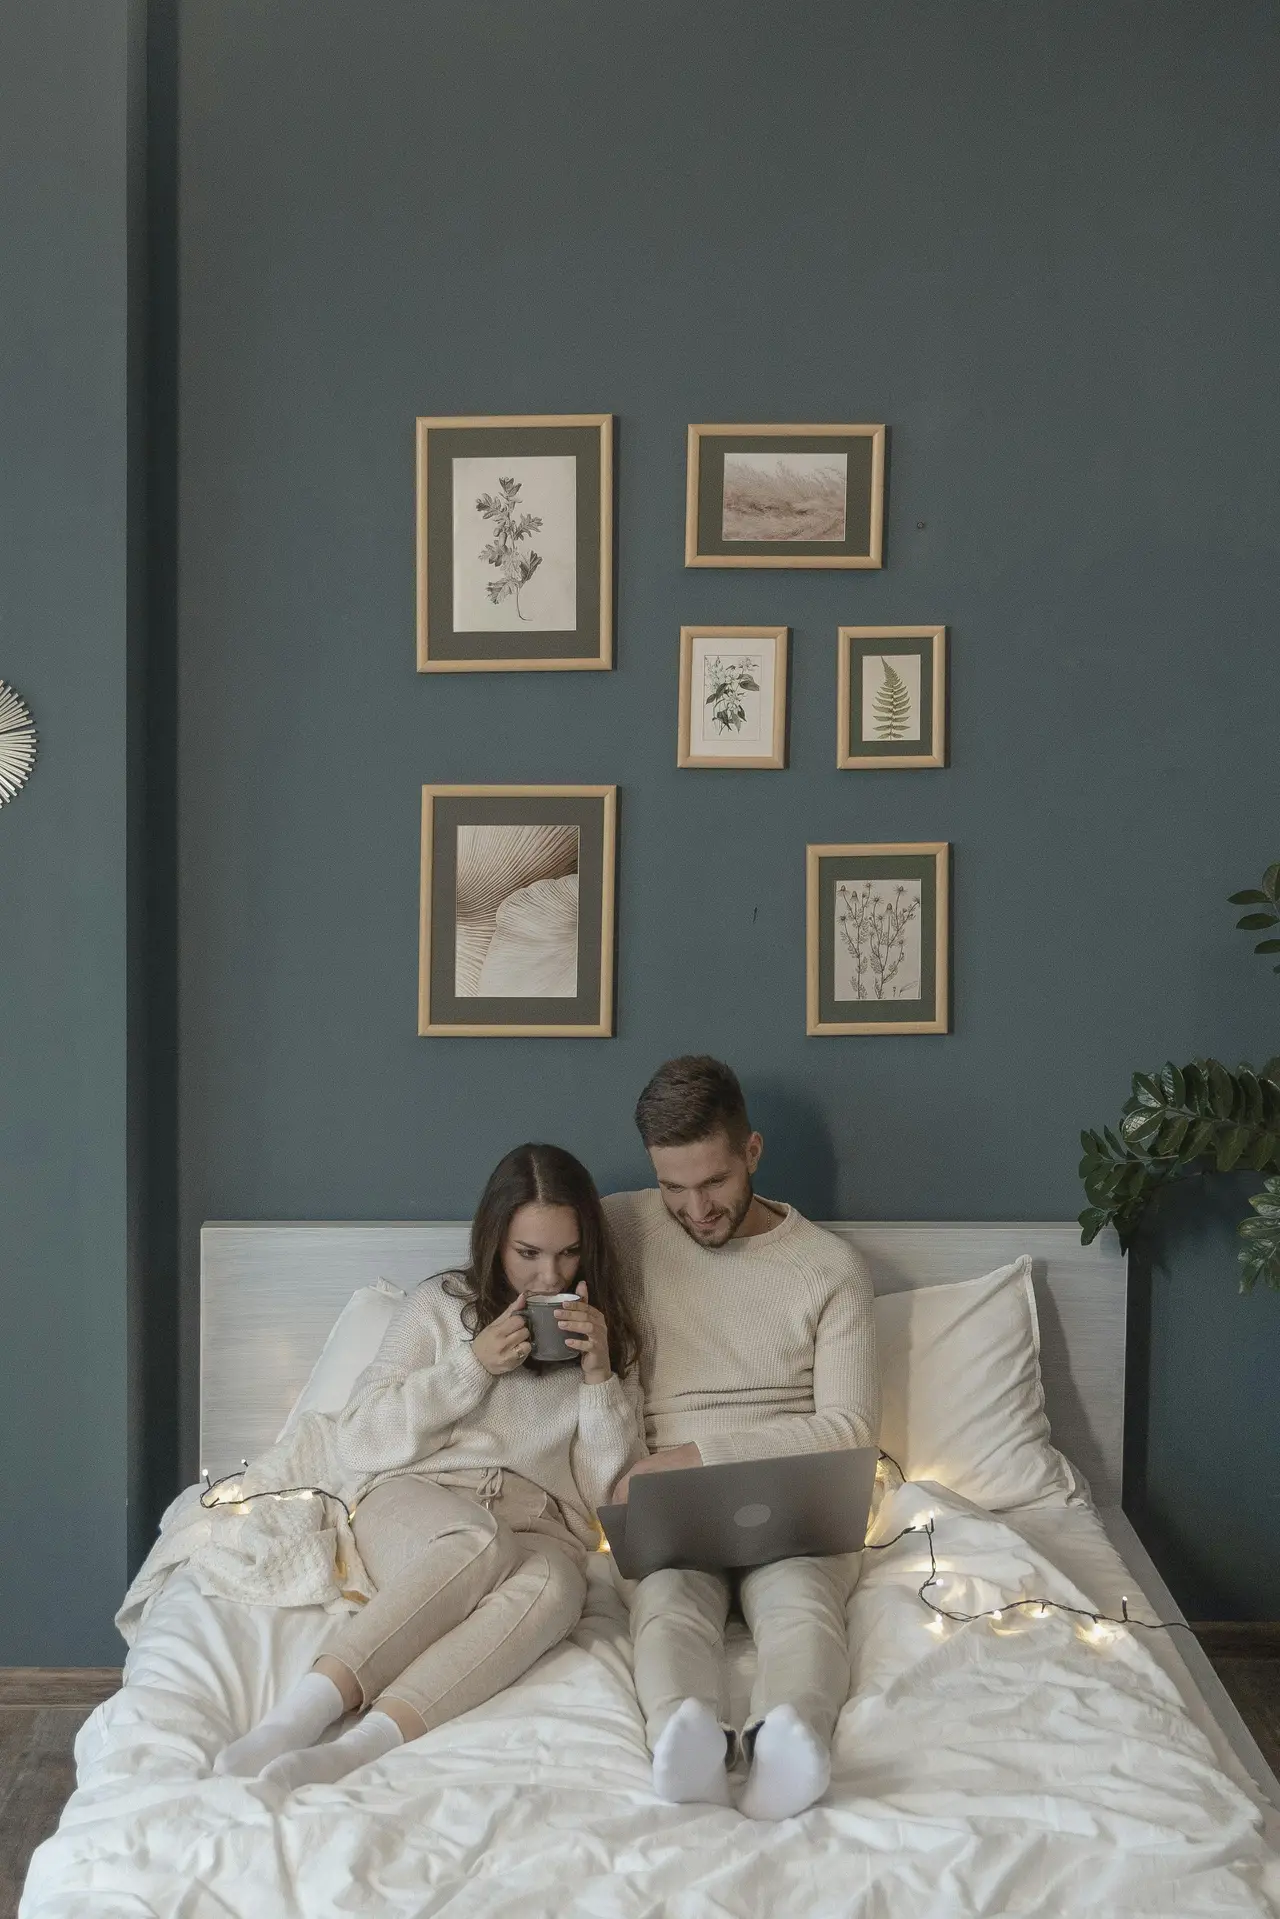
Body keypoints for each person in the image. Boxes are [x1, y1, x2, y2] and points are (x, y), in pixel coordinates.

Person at [215, 1143, 645, 1788]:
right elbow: (358, 1438)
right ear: (496, 1240)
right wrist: (470, 1366)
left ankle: (360, 1748)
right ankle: (298, 1717)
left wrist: (599, 1379)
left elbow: (607, 1494)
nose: (549, 1277)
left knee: (560, 1591)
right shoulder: (439, 1305)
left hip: (543, 1524)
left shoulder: (609, 1337)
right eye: (528, 1254)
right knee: (477, 1541)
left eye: (568, 1253)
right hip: (423, 1497)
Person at [604, 1057, 879, 1821]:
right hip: (672, 1505)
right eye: (672, 1187)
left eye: (715, 1182)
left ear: (752, 1151)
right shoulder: (624, 1226)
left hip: (791, 1489)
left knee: (800, 1606)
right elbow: (517, 1249)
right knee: (665, 1606)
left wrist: (692, 1456)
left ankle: (789, 1739)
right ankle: (686, 1742)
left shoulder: (831, 1268)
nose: (694, 1209)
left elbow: (850, 1429)